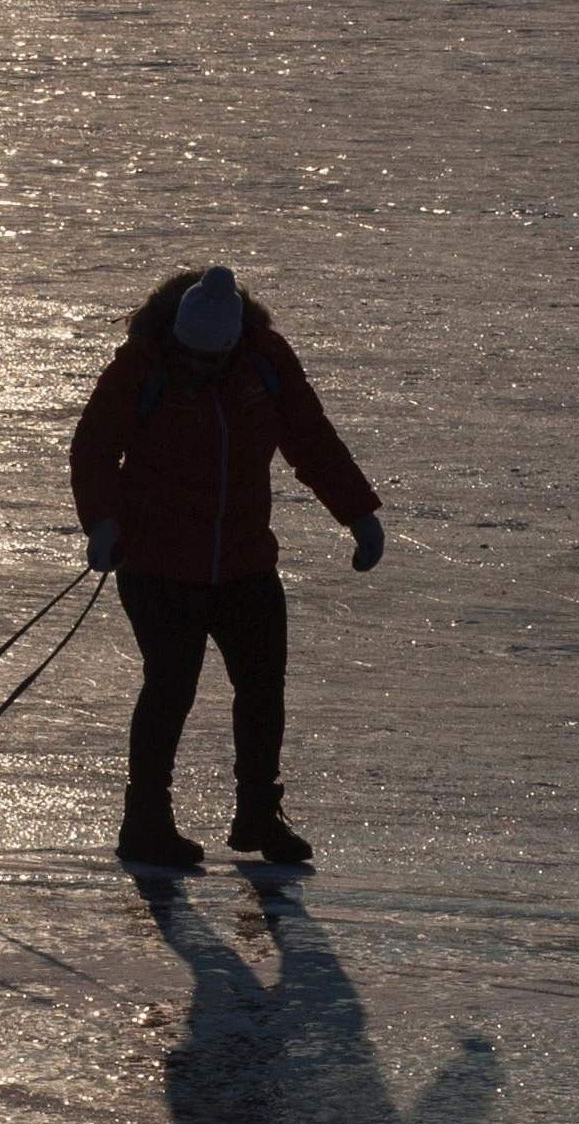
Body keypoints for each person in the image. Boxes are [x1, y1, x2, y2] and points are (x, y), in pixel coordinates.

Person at [70, 267, 385, 870]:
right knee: (171, 686)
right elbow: (94, 447)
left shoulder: (264, 361)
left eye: (214, 358)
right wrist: (104, 524)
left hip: (244, 559)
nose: (204, 368)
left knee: (263, 687)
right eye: (194, 356)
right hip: (158, 563)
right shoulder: (144, 366)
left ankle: (259, 814)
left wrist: (358, 514)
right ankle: (146, 822)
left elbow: (311, 438)